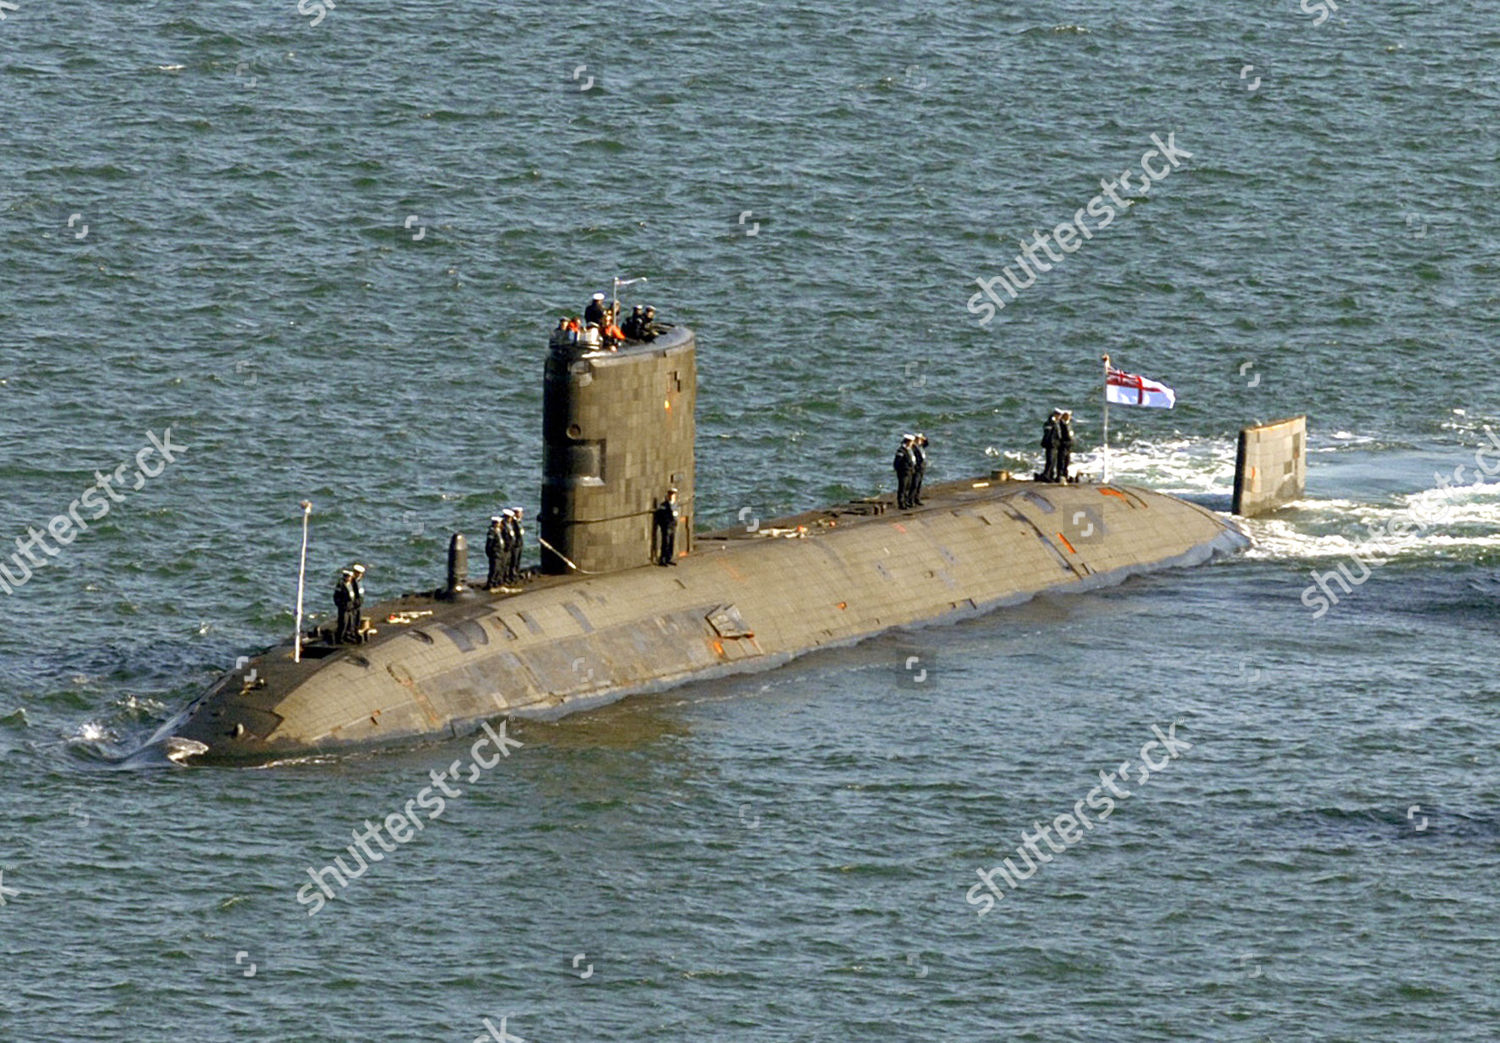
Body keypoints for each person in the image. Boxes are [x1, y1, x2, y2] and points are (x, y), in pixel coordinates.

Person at [654, 487, 680, 565]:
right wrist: (663, 525)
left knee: (671, 543)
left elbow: (676, 515)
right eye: (671, 494)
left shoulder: (675, 505)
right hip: (666, 526)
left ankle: (669, 558)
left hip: (672, 526)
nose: (672, 496)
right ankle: (663, 559)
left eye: (674, 495)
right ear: (668, 495)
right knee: (665, 543)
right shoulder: (664, 505)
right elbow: (659, 516)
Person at [893, 434, 916, 509]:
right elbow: (897, 462)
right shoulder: (901, 450)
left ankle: (906, 501)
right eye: (911, 442)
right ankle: (901, 503)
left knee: (907, 487)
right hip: (904, 472)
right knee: (902, 487)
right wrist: (899, 470)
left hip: (910, 471)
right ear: (908, 442)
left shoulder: (909, 450)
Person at [485, 515, 507, 589]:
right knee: (494, 569)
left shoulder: (498, 531)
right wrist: (491, 553)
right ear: (495, 523)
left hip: (500, 553)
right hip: (495, 553)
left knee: (499, 569)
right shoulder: (492, 532)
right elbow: (489, 545)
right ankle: (490, 584)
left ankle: (496, 582)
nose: (500, 524)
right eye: (499, 523)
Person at [333, 569, 353, 643]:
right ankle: (340, 638)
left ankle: (347, 636)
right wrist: (341, 605)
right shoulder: (341, 585)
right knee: (343, 623)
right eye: (348, 577)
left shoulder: (350, 584)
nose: (350, 578)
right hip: (343, 607)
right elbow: (336, 597)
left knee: (349, 622)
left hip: (350, 607)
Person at [347, 563, 366, 643]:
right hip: (354, 605)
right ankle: (350, 634)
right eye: (359, 573)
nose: (360, 575)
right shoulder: (352, 582)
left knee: (357, 620)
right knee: (352, 620)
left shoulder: (359, 581)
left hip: (359, 604)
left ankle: (355, 632)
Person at [505, 509, 525, 583]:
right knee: (514, 561)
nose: (521, 514)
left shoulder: (519, 521)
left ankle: (516, 574)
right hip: (516, 545)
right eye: (520, 513)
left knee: (517, 561)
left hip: (519, 544)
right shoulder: (514, 522)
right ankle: (512, 575)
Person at [1040, 410, 1060, 482]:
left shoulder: (1056, 423)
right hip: (1050, 444)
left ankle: (1050, 474)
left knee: (1053, 460)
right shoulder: (1050, 423)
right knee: (1050, 460)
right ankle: (1046, 475)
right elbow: (1048, 434)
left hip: (1054, 444)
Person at [1056, 410, 1075, 483]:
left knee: (1067, 461)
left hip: (1068, 446)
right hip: (1063, 445)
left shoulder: (1068, 424)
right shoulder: (1061, 424)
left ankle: (1065, 475)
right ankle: (1060, 476)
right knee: (1061, 461)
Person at [912, 433, 929, 505]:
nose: (920, 441)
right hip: (917, 468)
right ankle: (911, 499)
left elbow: (926, 444)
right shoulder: (913, 447)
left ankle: (917, 498)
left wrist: (925, 439)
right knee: (914, 484)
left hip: (922, 467)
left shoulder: (920, 447)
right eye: (919, 439)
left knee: (919, 484)